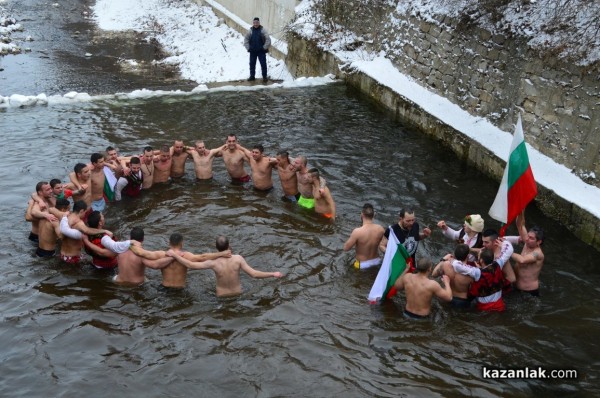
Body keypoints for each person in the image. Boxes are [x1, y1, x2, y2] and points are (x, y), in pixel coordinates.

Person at [166, 235, 282, 297]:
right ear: (229, 246)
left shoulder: (213, 263)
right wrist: (272, 273)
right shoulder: (238, 259)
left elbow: (191, 265)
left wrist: (176, 256)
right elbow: (254, 274)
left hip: (221, 297)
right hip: (238, 294)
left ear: (216, 248)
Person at [130, 233, 233, 289]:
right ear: (182, 243)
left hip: (164, 289)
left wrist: (127, 245)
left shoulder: (161, 254)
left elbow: (143, 253)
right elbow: (203, 257)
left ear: (169, 243)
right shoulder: (186, 256)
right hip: (180, 290)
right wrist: (221, 253)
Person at [379, 208, 432, 272]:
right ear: (401, 219)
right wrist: (391, 253)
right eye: (408, 221)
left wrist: (425, 235)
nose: (411, 223)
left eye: (413, 220)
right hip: (397, 264)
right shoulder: (392, 230)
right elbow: (381, 245)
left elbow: (416, 237)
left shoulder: (415, 225)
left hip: (411, 263)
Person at [58, 200, 111, 264]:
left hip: (63, 255)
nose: (85, 214)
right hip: (73, 257)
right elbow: (87, 230)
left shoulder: (67, 217)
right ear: (81, 211)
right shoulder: (79, 223)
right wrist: (104, 231)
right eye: (85, 212)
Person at [432, 244, 480, 308]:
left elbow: (433, 274)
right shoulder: (471, 273)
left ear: (454, 254)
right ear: (468, 256)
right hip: (462, 302)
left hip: (447, 296)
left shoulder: (445, 265)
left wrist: (443, 259)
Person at [510, 212, 545, 296]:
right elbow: (520, 225)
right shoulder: (527, 242)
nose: (527, 239)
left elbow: (522, 260)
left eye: (531, 238)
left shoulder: (538, 253)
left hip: (529, 292)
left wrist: (506, 250)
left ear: (539, 242)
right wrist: (521, 210)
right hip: (515, 286)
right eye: (528, 236)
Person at [343, 203, 385, 269]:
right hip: (377, 261)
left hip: (362, 264)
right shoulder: (380, 229)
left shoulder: (357, 232)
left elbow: (346, 248)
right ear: (374, 215)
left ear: (362, 214)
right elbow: (385, 245)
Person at [243, 17, 271, 83]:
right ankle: (252, 76)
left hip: (261, 51)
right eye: (254, 23)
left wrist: (264, 47)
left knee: (263, 64)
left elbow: (268, 40)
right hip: (253, 51)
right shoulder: (250, 30)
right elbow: (246, 40)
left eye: (257, 23)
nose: (256, 24)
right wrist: (248, 48)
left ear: (259, 23)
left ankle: (264, 77)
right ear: (253, 23)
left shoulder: (262, 30)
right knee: (252, 64)